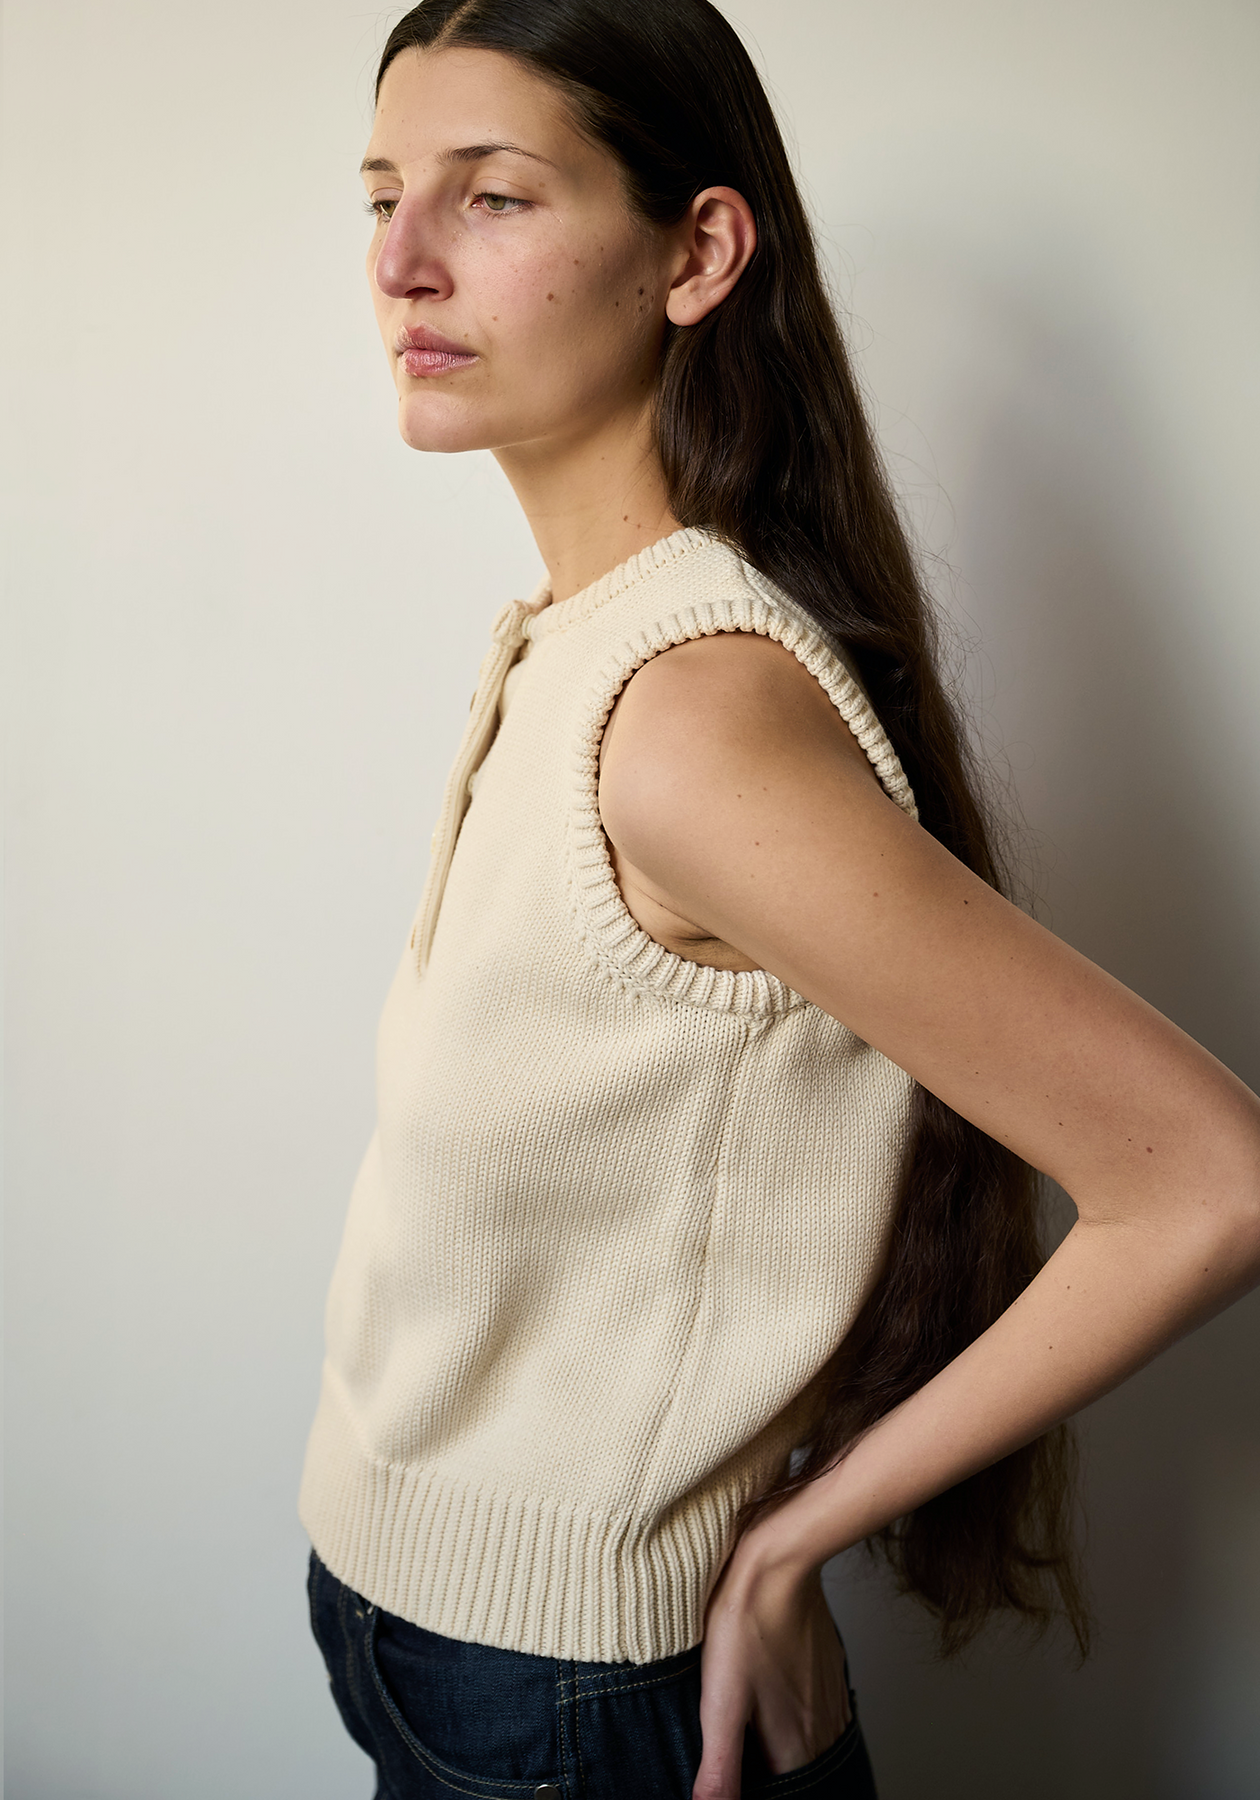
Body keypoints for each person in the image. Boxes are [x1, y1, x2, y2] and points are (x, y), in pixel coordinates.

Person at [299, 2, 1260, 1795]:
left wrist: (789, 1541)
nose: (402, 261)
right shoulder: (572, 644)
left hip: (577, 1701)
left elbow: (1208, 1180)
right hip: (430, 1642)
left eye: (492, 196)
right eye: (380, 195)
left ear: (699, 254)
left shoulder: (687, 723)